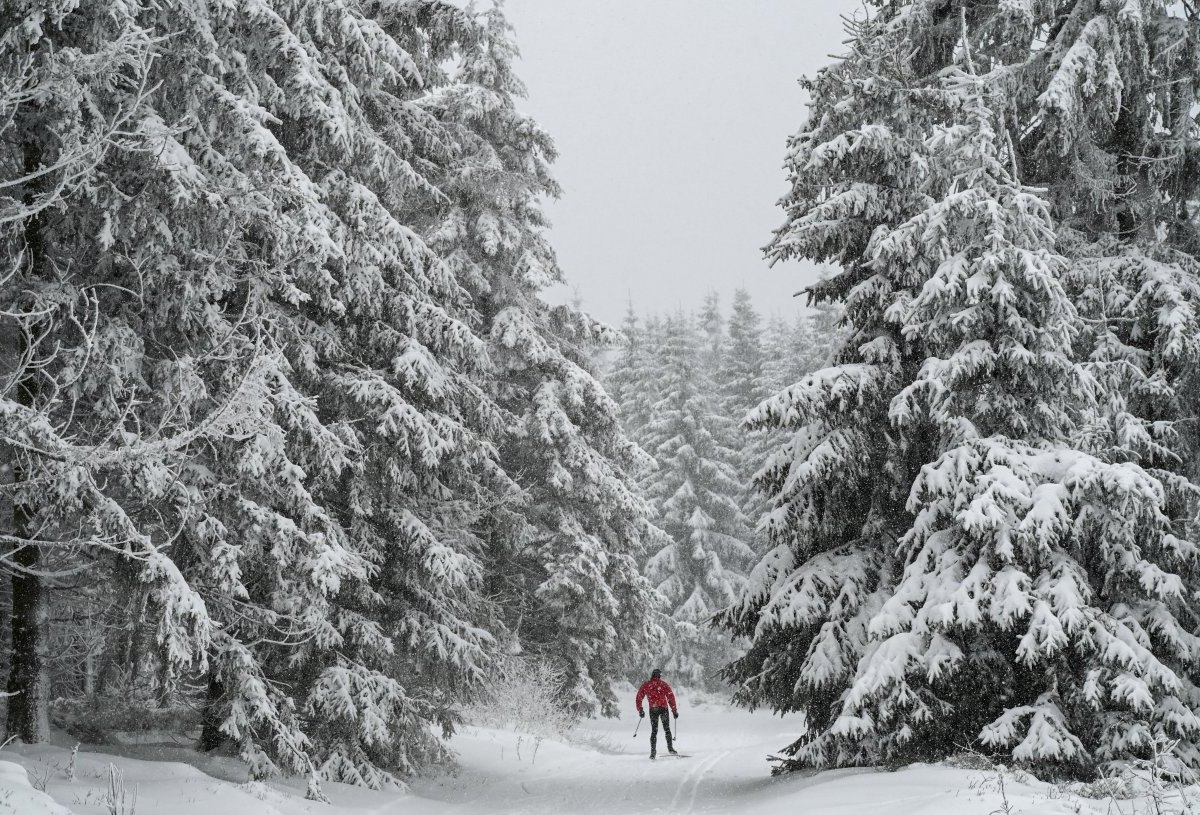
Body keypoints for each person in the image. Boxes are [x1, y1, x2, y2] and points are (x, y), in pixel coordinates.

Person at [635, 667, 678, 759]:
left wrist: (640, 709)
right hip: (663, 709)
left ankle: (653, 752)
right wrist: (674, 710)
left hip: (653, 710)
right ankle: (670, 748)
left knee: (654, 731)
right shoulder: (663, 684)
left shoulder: (646, 685)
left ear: (652, 675)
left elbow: (639, 697)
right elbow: (671, 697)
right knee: (667, 729)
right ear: (659, 675)